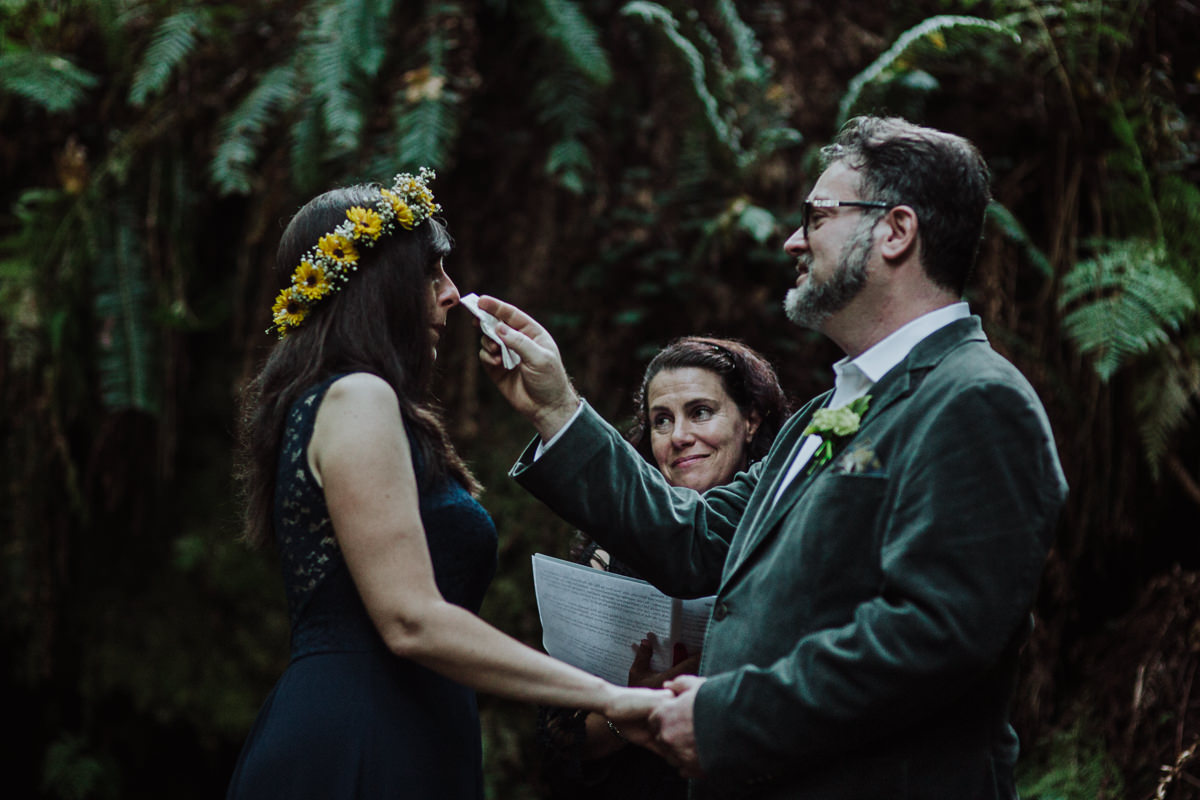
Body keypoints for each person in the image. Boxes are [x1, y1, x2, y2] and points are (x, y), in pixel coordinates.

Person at [476, 116, 1068, 799]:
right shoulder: (817, 418)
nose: (793, 240)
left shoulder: (975, 399)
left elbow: (935, 637)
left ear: (896, 232)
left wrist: (726, 717)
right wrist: (556, 408)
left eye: (816, 216)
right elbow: (692, 539)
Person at [225, 169, 668, 800]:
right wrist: (609, 696)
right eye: (433, 272)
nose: (453, 296)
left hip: (405, 728)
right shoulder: (357, 396)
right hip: (362, 735)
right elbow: (411, 619)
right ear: (378, 283)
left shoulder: (335, 403)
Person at [538, 336, 791, 800]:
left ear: (750, 420)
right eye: (661, 420)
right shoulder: (611, 551)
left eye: (700, 412)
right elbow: (557, 740)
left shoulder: (789, 530)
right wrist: (629, 709)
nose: (678, 437)